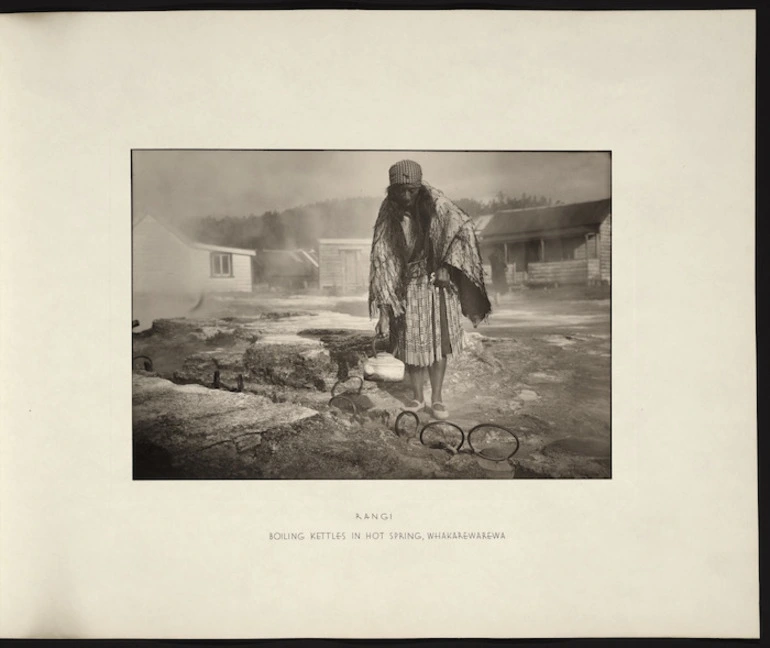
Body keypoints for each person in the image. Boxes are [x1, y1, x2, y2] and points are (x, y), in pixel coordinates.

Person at [368, 159, 491, 420]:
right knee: (410, 345)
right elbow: (383, 261)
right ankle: (416, 397)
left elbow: (462, 231)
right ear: (392, 190)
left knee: (439, 344)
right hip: (407, 288)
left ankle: (436, 398)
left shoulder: (439, 205)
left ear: (419, 186)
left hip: (437, 285)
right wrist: (384, 312)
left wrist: (447, 265)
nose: (406, 195)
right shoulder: (388, 215)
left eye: (411, 189)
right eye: (400, 190)